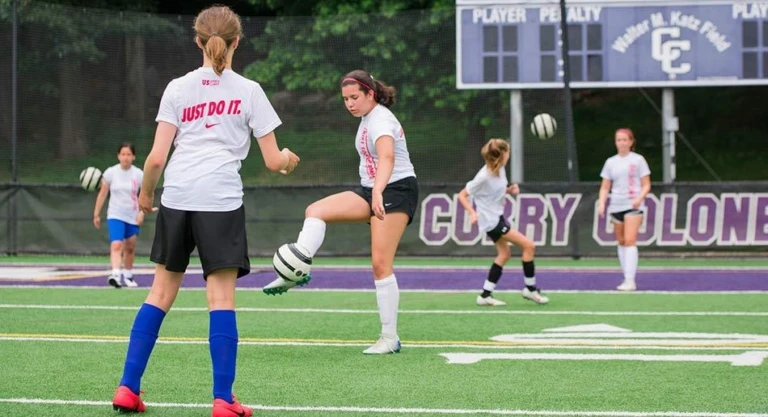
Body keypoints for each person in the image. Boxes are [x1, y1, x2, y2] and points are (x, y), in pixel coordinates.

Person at [110, 5, 299, 417]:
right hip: (220, 200)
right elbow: (272, 160)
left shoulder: (177, 87)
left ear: (198, 40)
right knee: (221, 299)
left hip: (177, 196)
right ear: (236, 43)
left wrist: (145, 195)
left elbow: (157, 157)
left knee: (159, 293)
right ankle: (223, 400)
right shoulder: (250, 91)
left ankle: (127, 387)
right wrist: (288, 160)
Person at [263, 70, 418, 355]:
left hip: (396, 190)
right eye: (345, 99)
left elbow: (387, 157)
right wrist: (374, 191)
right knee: (316, 210)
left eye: (355, 97)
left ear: (371, 94)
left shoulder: (381, 119)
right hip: (372, 188)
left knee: (380, 263)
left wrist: (379, 192)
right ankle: (295, 271)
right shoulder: (366, 118)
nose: (349, 103)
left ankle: (389, 338)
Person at [457, 139, 549, 307]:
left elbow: (493, 191)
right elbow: (462, 195)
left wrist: (509, 190)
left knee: (504, 254)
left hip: (497, 217)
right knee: (529, 246)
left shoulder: (500, 170)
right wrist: (472, 213)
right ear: (503, 154)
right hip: (492, 221)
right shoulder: (483, 176)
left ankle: (485, 295)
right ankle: (530, 288)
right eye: (508, 151)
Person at [597, 128, 651, 291]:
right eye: (618, 140)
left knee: (629, 240)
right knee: (620, 241)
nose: (621, 143)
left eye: (624, 140)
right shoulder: (610, 162)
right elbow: (605, 187)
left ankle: (630, 279)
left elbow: (646, 184)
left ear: (631, 142)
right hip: (616, 204)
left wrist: (639, 198)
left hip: (633, 205)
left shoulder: (638, 160)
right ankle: (625, 275)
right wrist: (602, 203)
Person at [93, 143, 144, 288]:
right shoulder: (111, 172)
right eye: (123, 154)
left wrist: (141, 213)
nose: (125, 157)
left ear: (133, 157)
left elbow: (145, 195)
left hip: (132, 215)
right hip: (115, 214)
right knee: (116, 244)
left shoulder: (139, 174)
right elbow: (103, 193)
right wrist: (96, 213)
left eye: (128, 154)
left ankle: (128, 276)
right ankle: (115, 274)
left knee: (130, 248)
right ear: (118, 156)